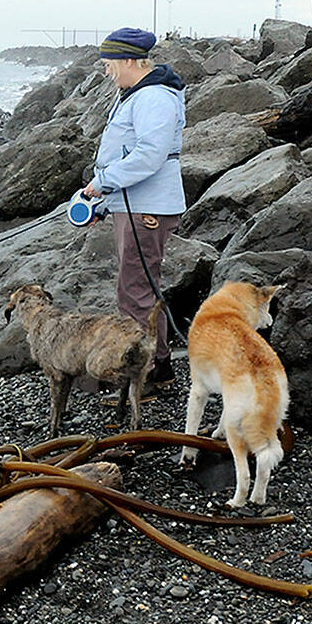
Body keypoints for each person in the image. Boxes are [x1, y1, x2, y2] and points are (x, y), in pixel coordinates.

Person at [82, 27, 186, 387]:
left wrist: (103, 183)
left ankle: (152, 370)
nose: (107, 71)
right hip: (133, 204)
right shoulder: (134, 94)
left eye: (110, 63)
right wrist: (103, 203)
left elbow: (149, 156)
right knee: (138, 286)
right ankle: (155, 365)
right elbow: (131, 154)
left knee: (137, 289)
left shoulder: (154, 98)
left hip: (148, 208)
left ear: (129, 60)